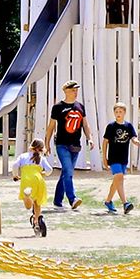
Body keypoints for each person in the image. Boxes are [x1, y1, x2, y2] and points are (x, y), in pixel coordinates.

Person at [45, 79, 94, 210]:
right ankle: (72, 199)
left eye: (76, 90)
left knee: (66, 173)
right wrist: (47, 143)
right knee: (68, 171)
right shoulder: (58, 107)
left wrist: (90, 138)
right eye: (73, 90)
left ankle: (57, 200)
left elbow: (85, 124)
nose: (75, 92)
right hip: (62, 144)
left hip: (76, 145)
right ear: (66, 91)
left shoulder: (80, 106)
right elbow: (50, 127)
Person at [102, 102, 140, 214]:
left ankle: (108, 201)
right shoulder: (111, 126)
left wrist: (135, 141)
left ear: (124, 113)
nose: (118, 114)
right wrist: (104, 157)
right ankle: (125, 203)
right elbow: (105, 142)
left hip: (124, 158)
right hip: (113, 158)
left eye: (120, 112)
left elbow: (133, 137)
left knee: (117, 181)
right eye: (116, 112)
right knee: (119, 178)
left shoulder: (128, 126)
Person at [12, 138, 52, 237]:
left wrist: (15, 175)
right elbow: (49, 170)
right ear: (42, 149)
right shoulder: (42, 158)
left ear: (31, 146)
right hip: (38, 180)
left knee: (28, 206)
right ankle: (37, 222)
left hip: (26, 179)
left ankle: (27, 196)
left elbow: (14, 165)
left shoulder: (23, 156)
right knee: (37, 203)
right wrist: (44, 173)